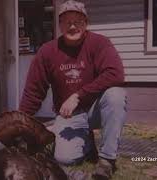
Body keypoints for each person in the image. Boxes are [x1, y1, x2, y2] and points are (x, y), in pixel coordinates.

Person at [19, 0, 127, 179]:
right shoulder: (47, 51)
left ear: (86, 23)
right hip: (69, 116)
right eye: (67, 21)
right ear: (60, 25)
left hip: (96, 110)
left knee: (116, 95)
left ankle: (107, 161)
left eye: (78, 21)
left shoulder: (99, 43)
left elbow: (115, 74)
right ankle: (88, 144)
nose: (73, 26)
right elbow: (33, 92)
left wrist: (78, 95)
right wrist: (20, 125)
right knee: (64, 159)